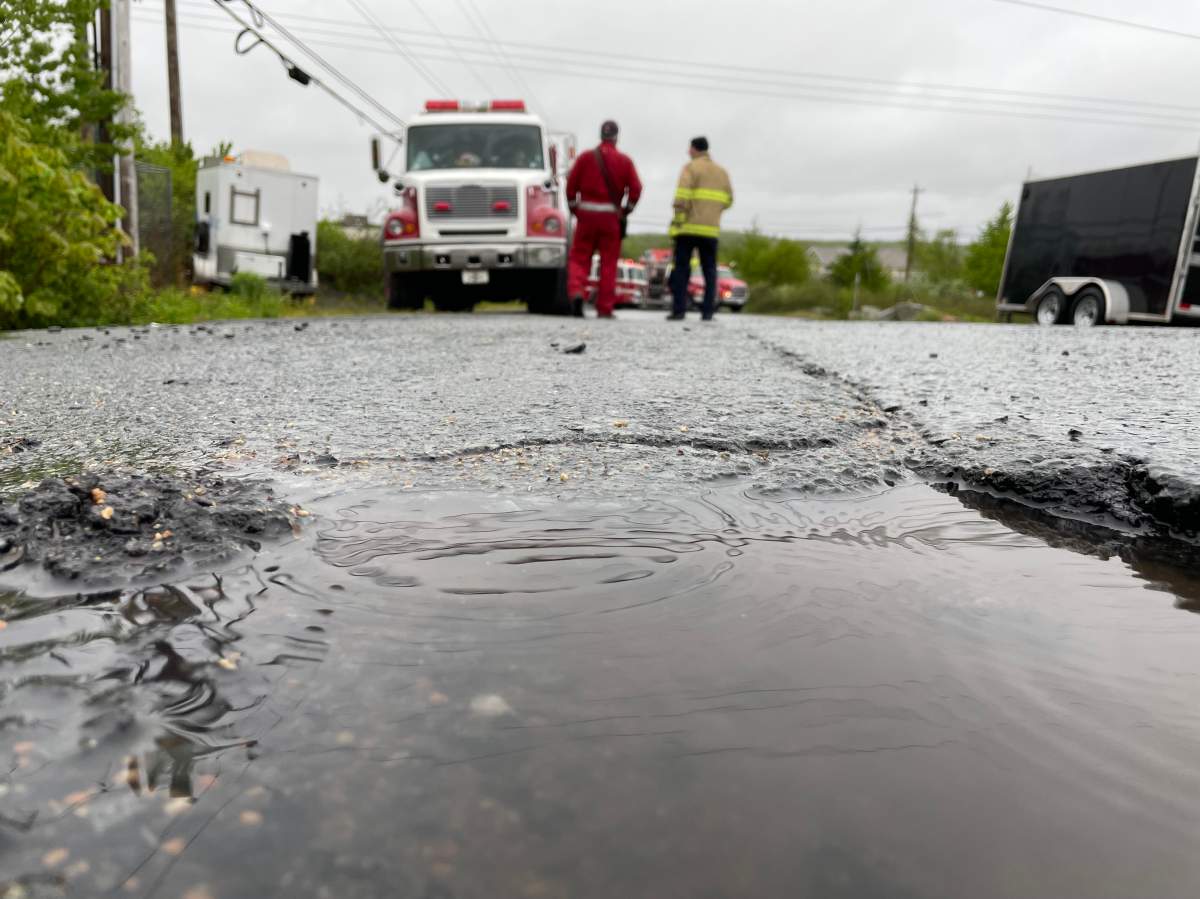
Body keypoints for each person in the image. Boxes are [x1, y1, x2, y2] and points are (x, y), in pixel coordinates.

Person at [566, 120, 642, 318]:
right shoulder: (624, 161)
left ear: (601, 135)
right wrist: (626, 211)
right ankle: (605, 308)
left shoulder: (585, 158)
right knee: (609, 263)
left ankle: (577, 292)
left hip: (586, 216)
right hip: (610, 219)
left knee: (579, 258)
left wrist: (576, 209)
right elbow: (636, 189)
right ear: (616, 137)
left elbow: (571, 187)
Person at [668, 137, 733, 321]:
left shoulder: (690, 168)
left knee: (682, 269)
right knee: (709, 271)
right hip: (710, 230)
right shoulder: (722, 172)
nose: (688, 152)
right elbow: (729, 200)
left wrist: (678, 220)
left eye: (689, 149)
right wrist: (712, 212)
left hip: (687, 228)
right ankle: (708, 312)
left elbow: (682, 196)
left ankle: (679, 310)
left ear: (694, 149)